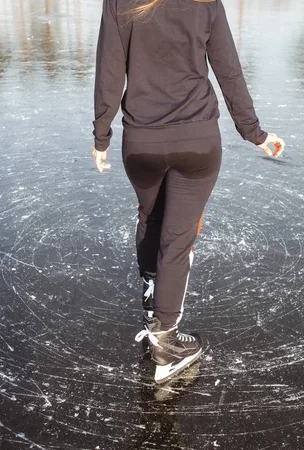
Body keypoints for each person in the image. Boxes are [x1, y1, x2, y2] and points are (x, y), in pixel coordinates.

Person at [91, 0, 285, 383]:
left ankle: (153, 310)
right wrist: (254, 133)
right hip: (197, 142)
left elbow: (109, 70)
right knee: (177, 240)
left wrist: (101, 136)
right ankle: (166, 343)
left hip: (141, 143)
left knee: (150, 217)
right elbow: (229, 70)